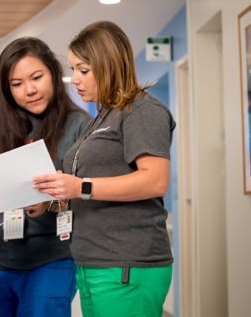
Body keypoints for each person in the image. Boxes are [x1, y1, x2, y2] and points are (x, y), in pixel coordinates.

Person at [33, 20, 176, 317]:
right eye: (73, 69)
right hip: (93, 260)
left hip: (126, 261)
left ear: (109, 65)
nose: (74, 79)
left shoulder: (142, 110)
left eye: (83, 70)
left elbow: (155, 181)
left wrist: (80, 186)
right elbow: (99, 184)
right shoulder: (103, 117)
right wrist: (52, 200)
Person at [0, 37, 91, 317]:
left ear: (53, 74)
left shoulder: (79, 125)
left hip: (52, 258)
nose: (29, 90)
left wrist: (51, 201)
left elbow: (92, 194)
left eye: (37, 77)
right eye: (16, 84)